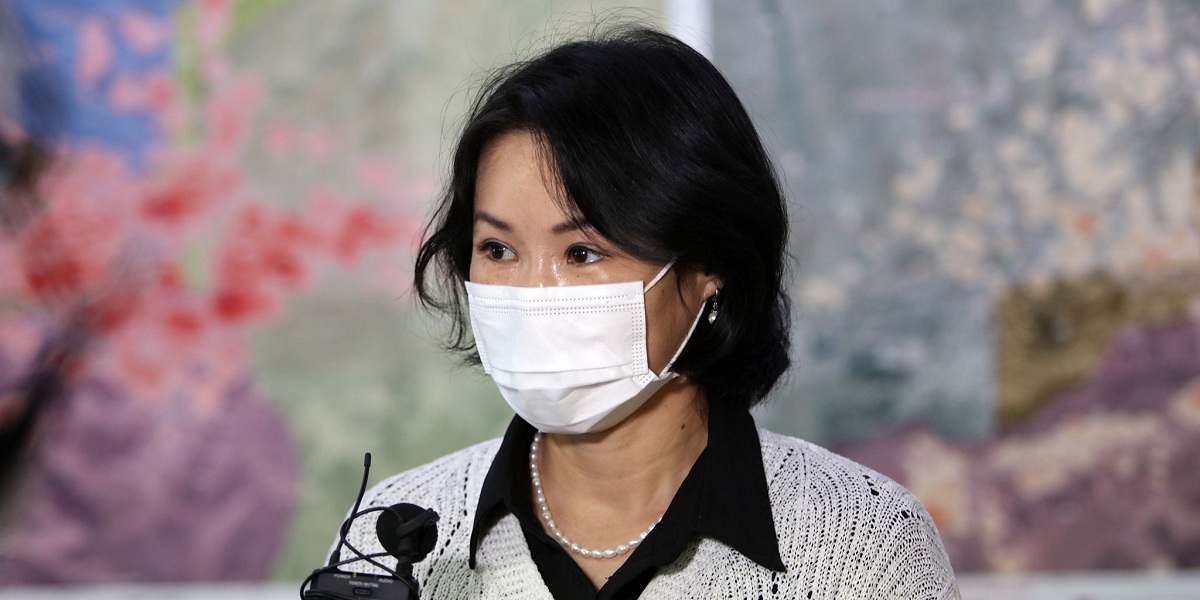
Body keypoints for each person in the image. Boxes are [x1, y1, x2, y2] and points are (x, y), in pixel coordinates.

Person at [337, 26, 960, 599]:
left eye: (582, 253)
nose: (532, 294)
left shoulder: (866, 549)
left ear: (708, 265)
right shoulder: (387, 538)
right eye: (498, 250)